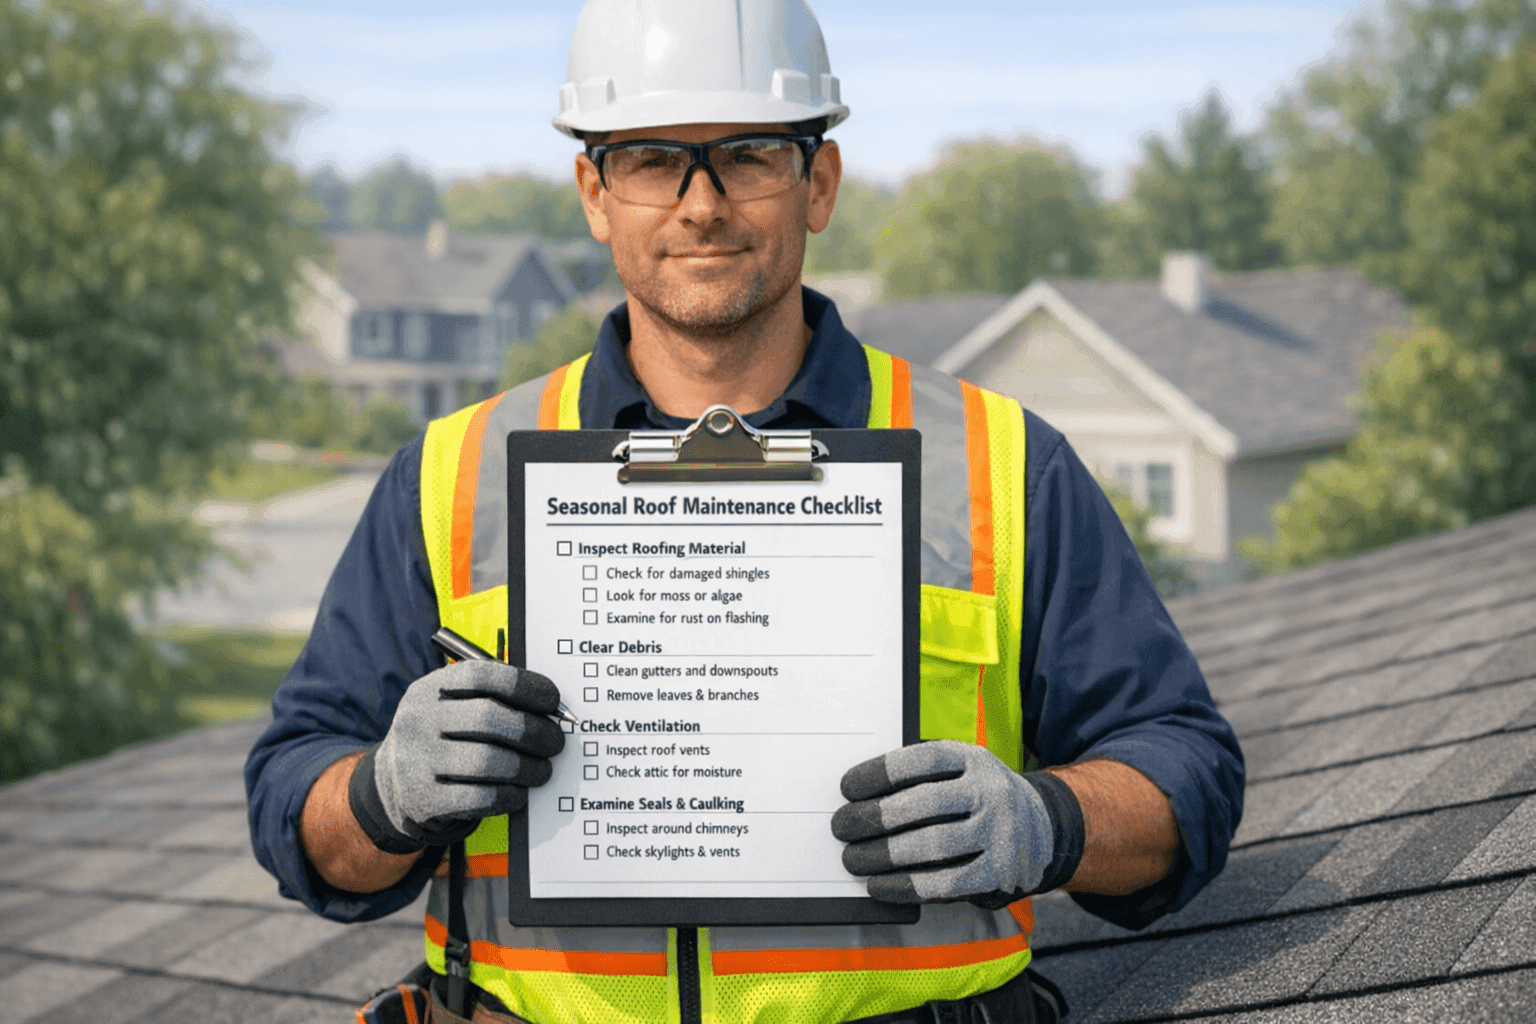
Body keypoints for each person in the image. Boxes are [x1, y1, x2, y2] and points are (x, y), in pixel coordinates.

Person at [245, 1, 1244, 1021]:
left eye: (750, 154)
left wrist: (1050, 820)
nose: (701, 205)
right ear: (593, 191)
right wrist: (381, 794)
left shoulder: (1003, 464)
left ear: (820, 182)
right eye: (648, 160)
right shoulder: (451, 474)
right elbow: (294, 805)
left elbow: (1186, 770)